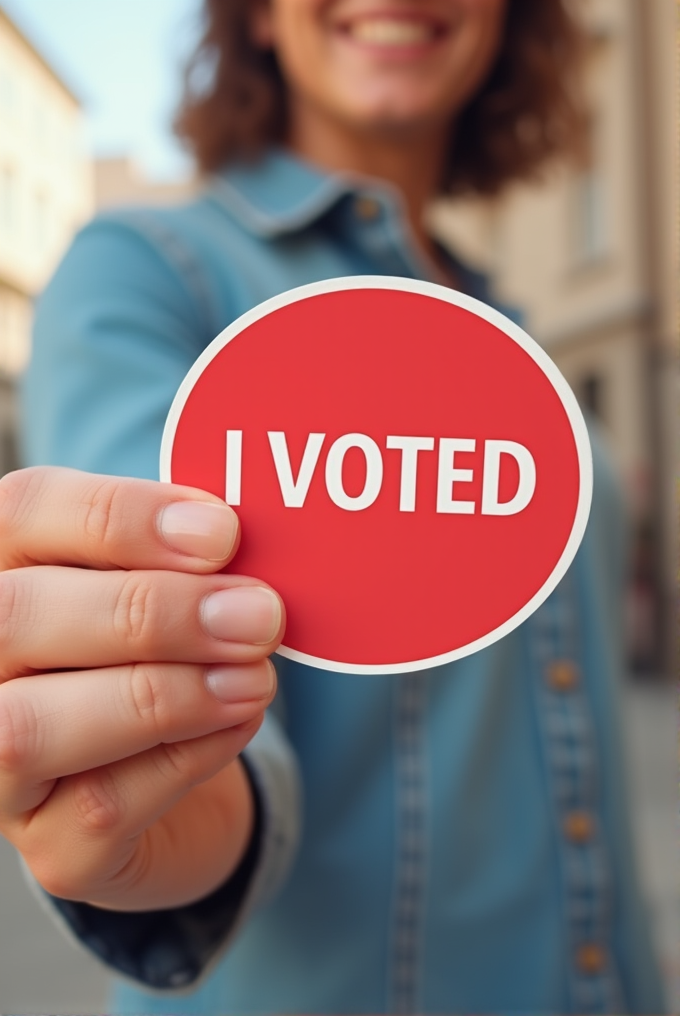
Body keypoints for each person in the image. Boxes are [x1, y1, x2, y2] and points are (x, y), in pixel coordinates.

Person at [0, 0, 664, 1012]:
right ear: (258, 16)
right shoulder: (146, 272)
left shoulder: (504, 331)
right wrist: (174, 792)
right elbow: (183, 665)